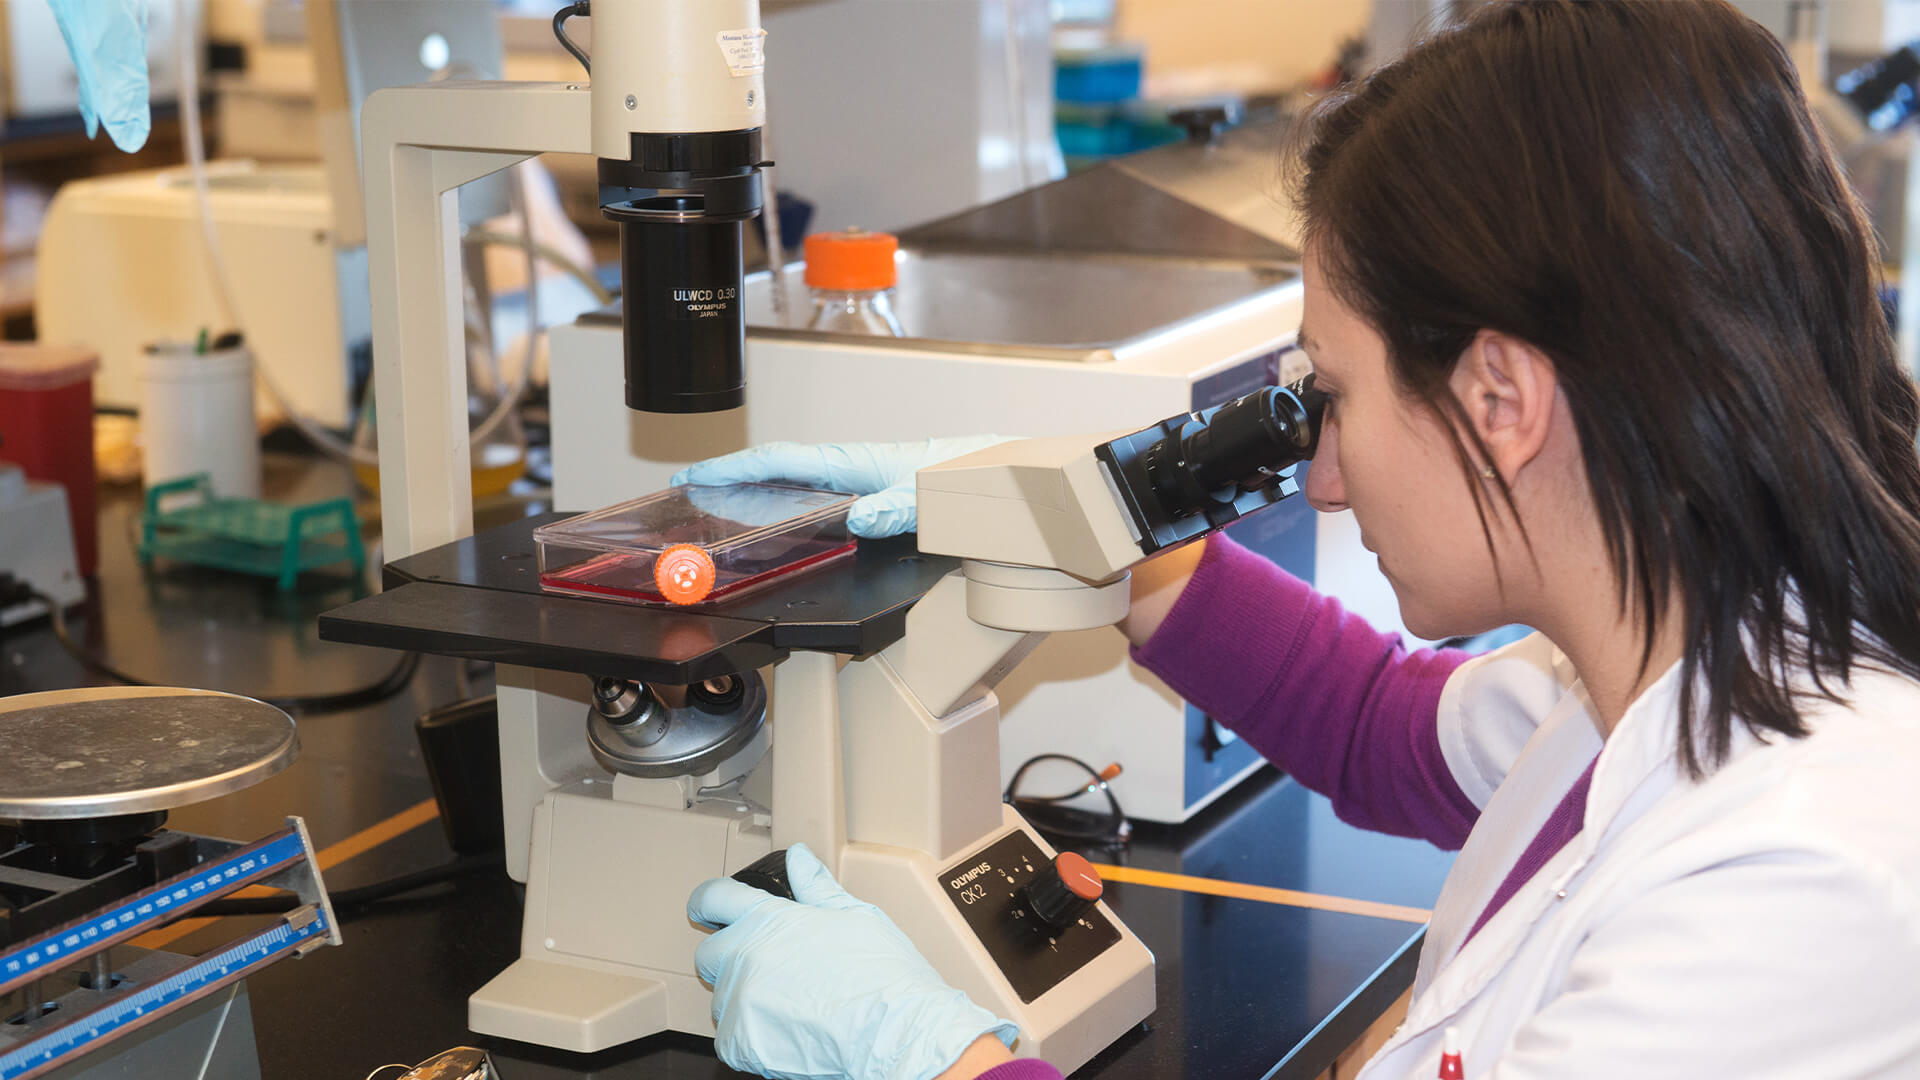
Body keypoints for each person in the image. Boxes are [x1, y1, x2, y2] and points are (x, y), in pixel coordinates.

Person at [679, 2, 1920, 1077]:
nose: (1322, 482)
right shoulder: (1689, 646)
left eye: (1335, 396)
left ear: (1502, 397)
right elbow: (1387, 728)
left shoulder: (1796, 880)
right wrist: (1067, 525)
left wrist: (934, 1060)